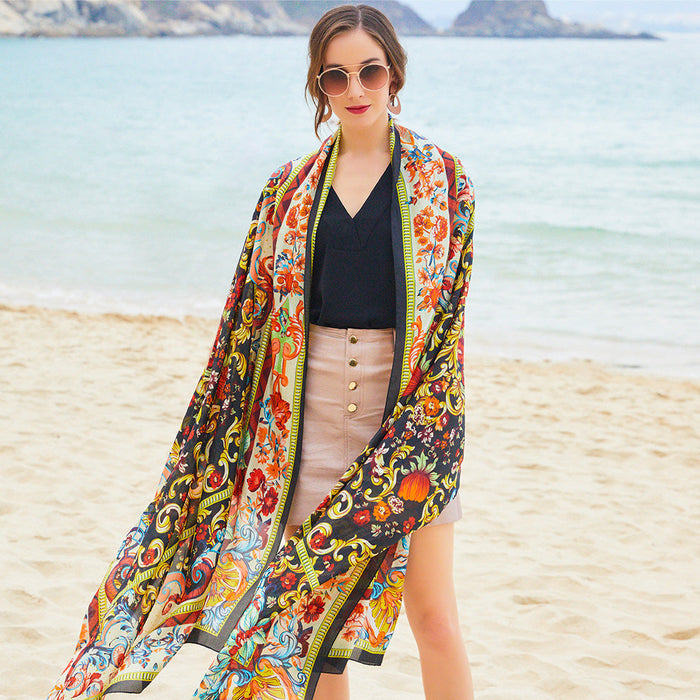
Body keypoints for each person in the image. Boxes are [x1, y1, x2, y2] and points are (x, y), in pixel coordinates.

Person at [48, 5, 475, 700]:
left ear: (395, 75)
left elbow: (449, 324)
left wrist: (433, 433)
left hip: (411, 429)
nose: (355, 88)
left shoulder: (445, 181)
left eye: (369, 71)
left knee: (435, 618)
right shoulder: (288, 189)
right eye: (336, 76)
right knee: (308, 632)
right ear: (319, 87)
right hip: (305, 424)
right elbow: (247, 322)